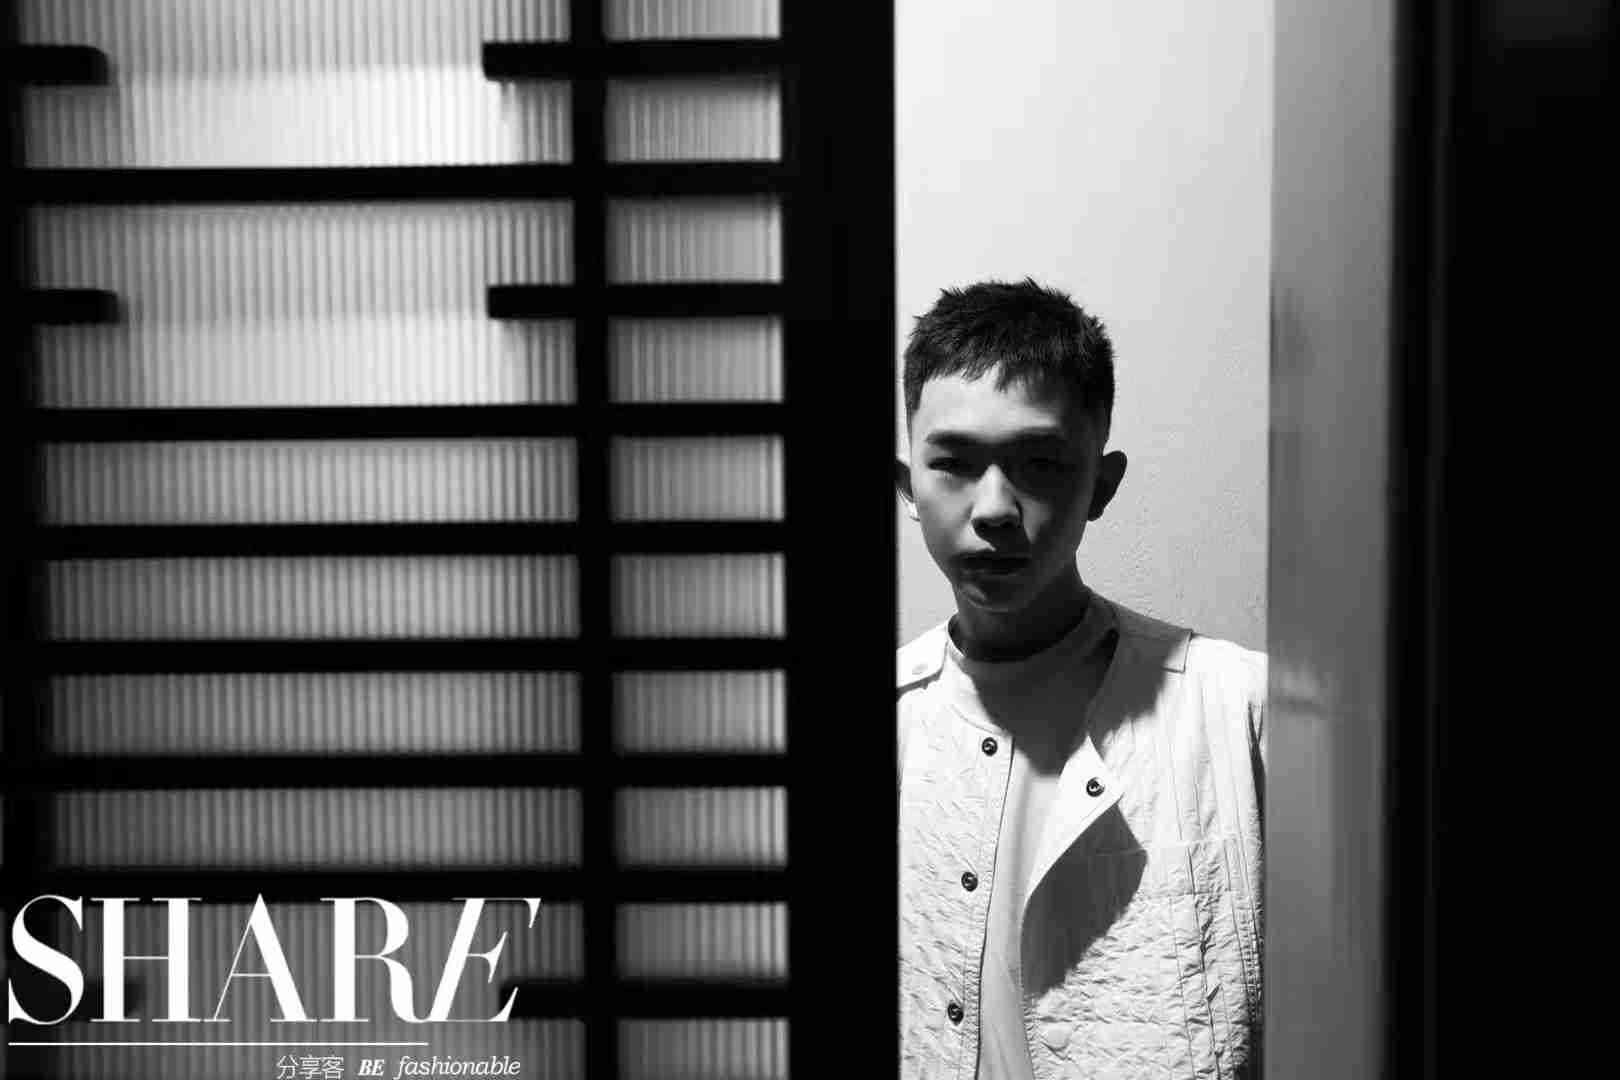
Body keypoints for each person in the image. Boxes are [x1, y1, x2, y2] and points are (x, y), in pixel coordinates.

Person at [895, 279, 1265, 1079]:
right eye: (953, 463)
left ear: (1101, 484)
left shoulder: (1238, 711)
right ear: (907, 488)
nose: (995, 508)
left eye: (1039, 463)